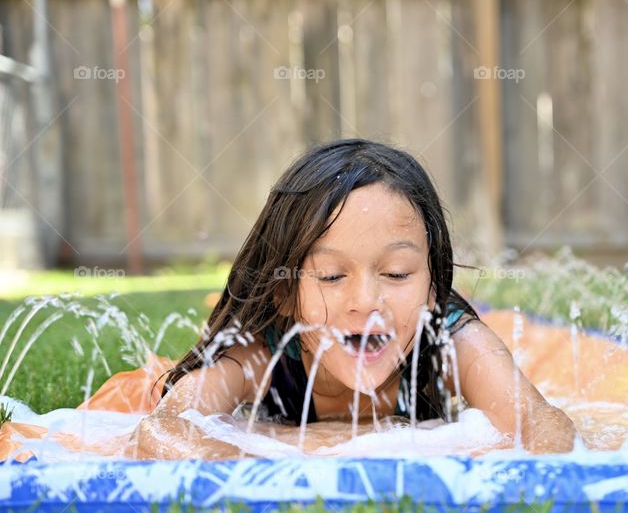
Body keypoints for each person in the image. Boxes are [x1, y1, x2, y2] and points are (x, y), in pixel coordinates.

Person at [130, 139, 578, 459]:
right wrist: (267, 465)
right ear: (286, 294)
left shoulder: (451, 340)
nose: (366, 301)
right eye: (331, 275)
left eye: (397, 273)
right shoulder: (260, 354)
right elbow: (162, 430)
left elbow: (544, 428)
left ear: (432, 288)